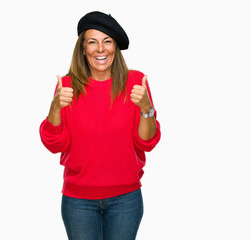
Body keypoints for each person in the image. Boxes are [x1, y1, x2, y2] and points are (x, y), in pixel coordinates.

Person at [39, 11, 161, 240]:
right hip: (78, 202)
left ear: (115, 47)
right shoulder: (66, 86)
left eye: (107, 41)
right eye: (92, 42)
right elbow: (55, 144)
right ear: (83, 48)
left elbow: (146, 141)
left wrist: (146, 108)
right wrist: (54, 109)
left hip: (126, 199)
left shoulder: (135, 82)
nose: (101, 49)